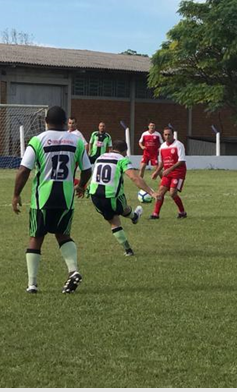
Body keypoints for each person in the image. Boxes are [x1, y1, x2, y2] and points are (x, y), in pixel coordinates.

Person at [12, 106, 92, 294]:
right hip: (66, 198)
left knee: (36, 237)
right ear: (65, 122)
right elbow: (87, 169)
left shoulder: (38, 140)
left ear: (46, 121)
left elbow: (24, 170)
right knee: (63, 234)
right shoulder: (77, 142)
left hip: (43, 198)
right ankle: (73, 270)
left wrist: (16, 194)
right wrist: (81, 186)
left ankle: (32, 284)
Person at [90, 141, 159, 256]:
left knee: (113, 221)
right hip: (111, 195)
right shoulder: (122, 160)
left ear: (112, 148)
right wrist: (151, 192)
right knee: (122, 210)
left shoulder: (100, 157)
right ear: (125, 151)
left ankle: (128, 250)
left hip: (95, 195)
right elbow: (134, 177)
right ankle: (135, 216)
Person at [150, 127, 188, 219]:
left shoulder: (179, 145)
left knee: (172, 193)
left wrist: (169, 170)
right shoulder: (162, 147)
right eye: (165, 134)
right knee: (160, 192)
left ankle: (182, 212)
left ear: (173, 135)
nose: (167, 136)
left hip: (178, 172)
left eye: (169, 134)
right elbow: (162, 162)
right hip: (167, 173)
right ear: (163, 135)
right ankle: (155, 214)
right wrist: (156, 172)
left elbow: (181, 161)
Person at [67, 116, 88, 189]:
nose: (71, 125)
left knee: (71, 173)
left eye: (73, 123)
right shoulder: (66, 133)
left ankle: (81, 186)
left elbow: (85, 144)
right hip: (67, 156)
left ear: (76, 124)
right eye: (70, 123)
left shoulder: (77, 133)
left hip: (74, 157)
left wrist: (83, 157)